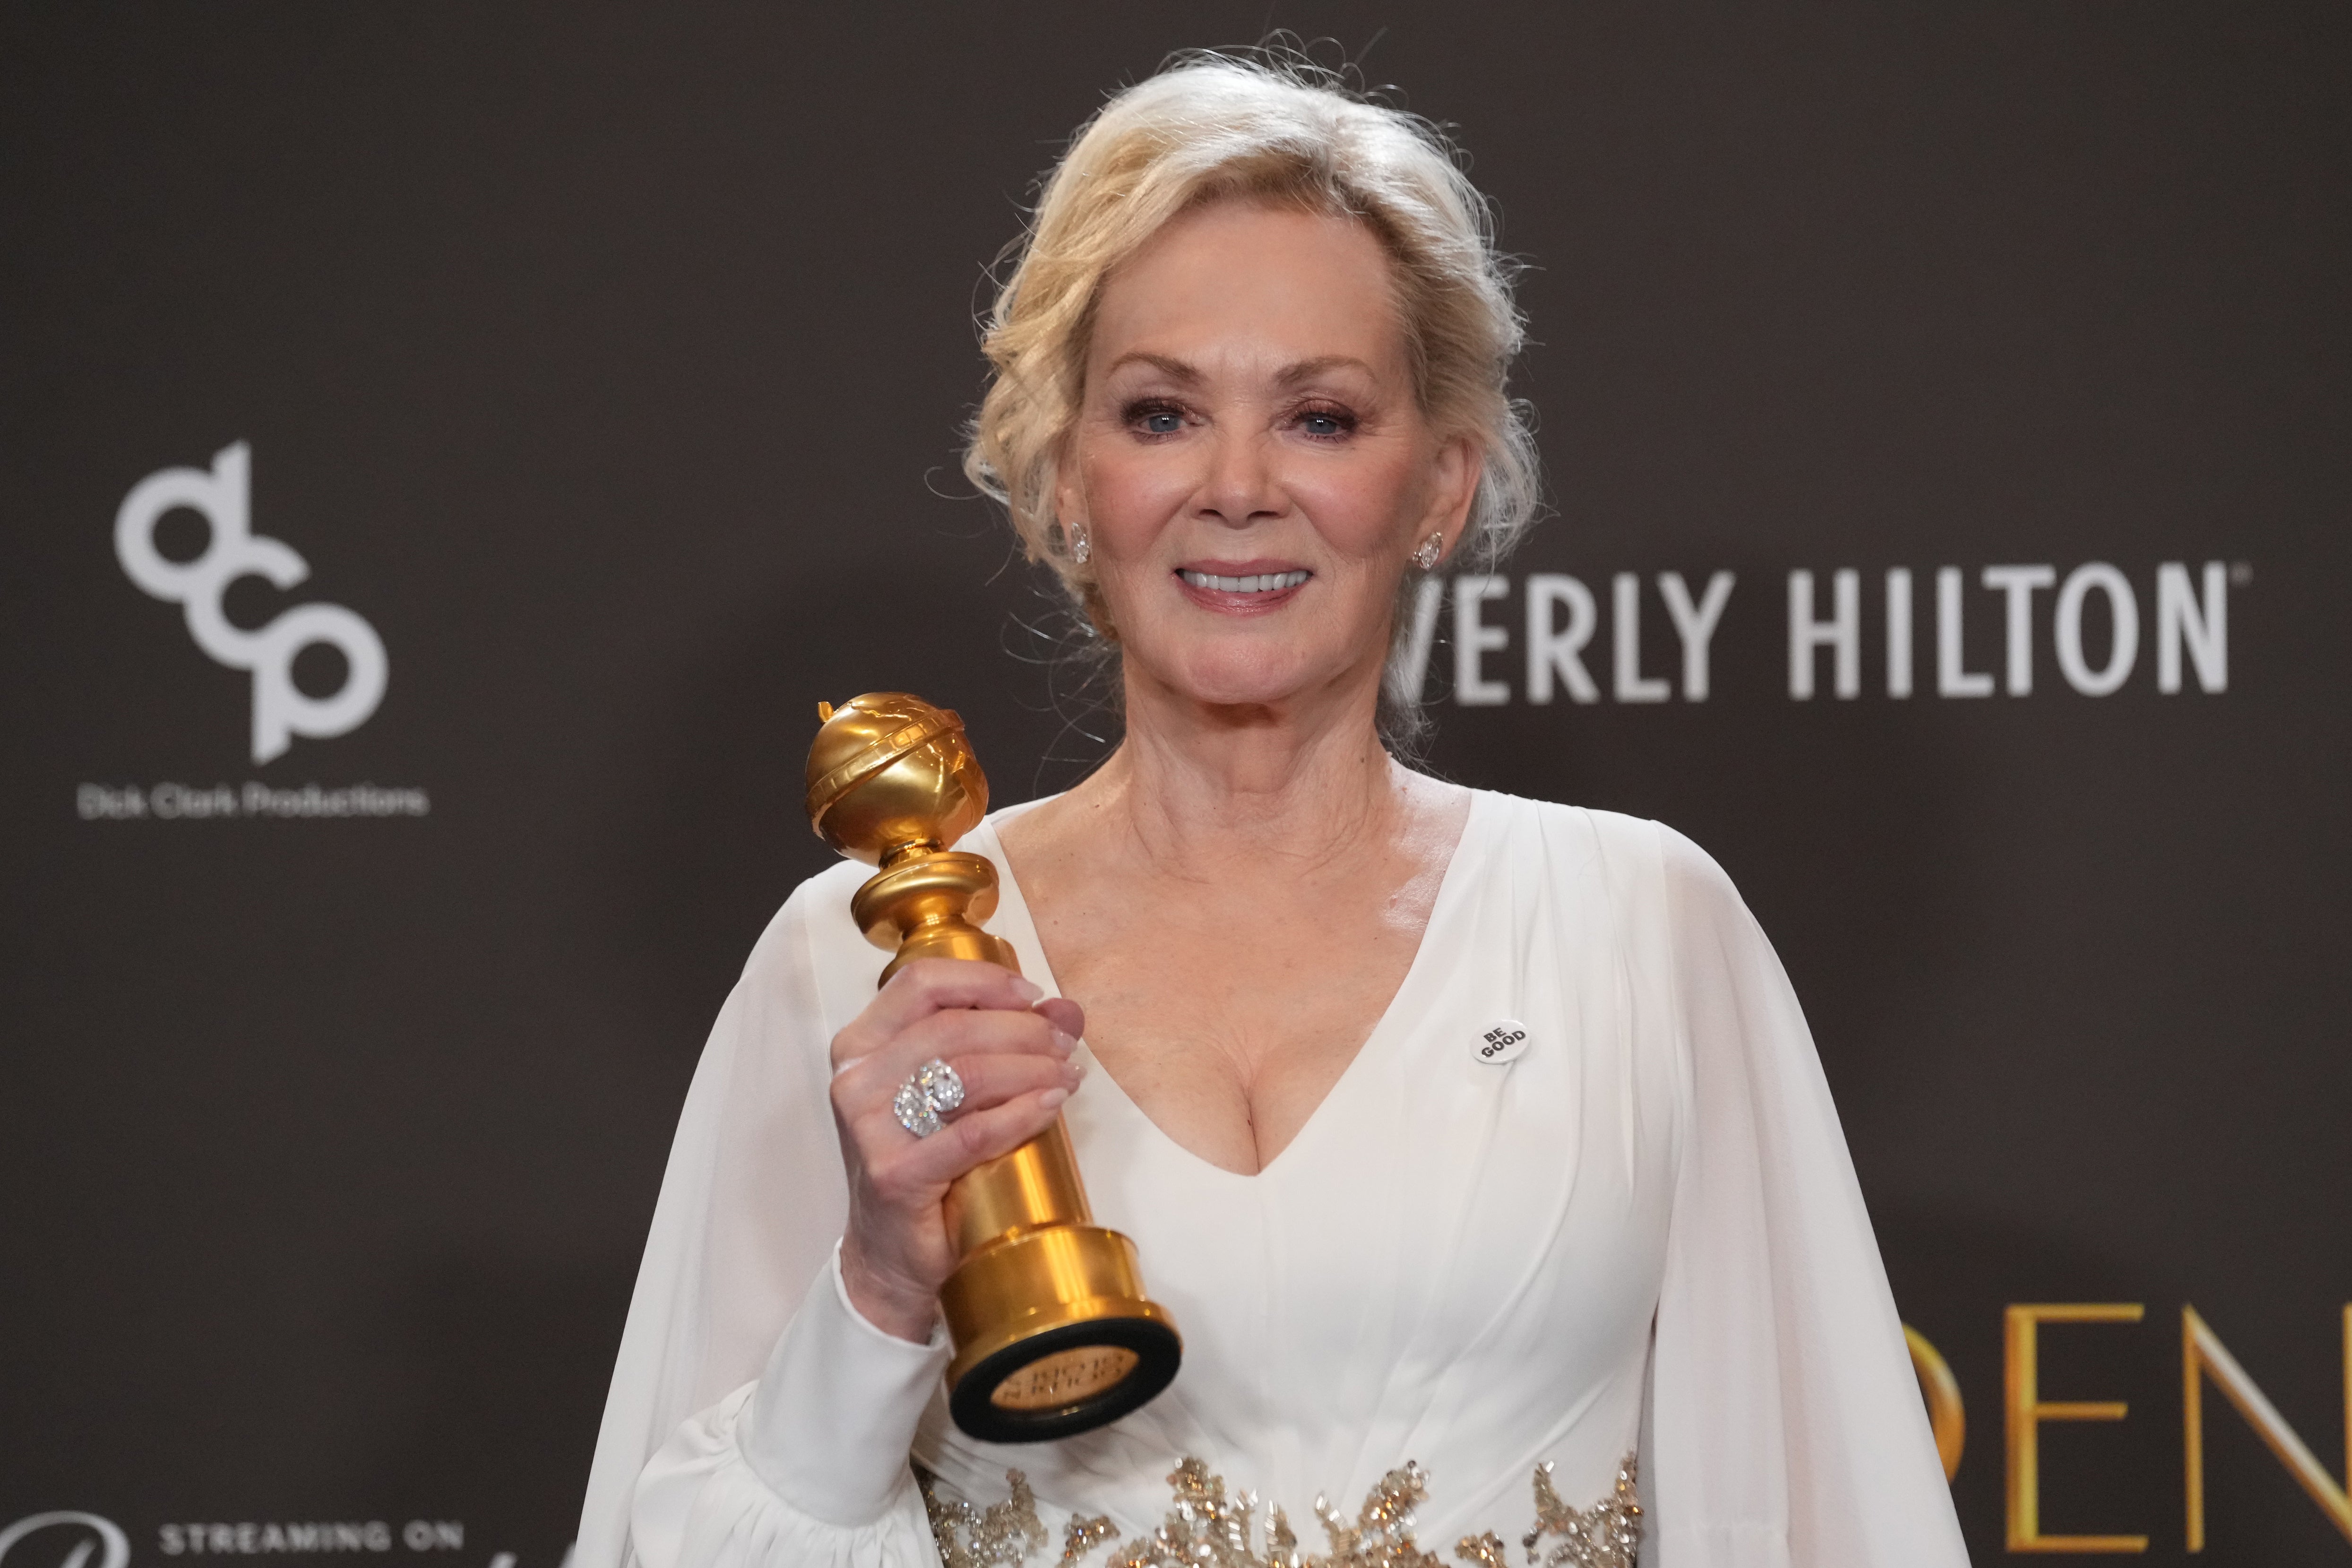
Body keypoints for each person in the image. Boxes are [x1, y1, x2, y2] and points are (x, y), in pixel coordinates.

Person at [575, 52, 1968, 1568]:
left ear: (1438, 484)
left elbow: (1816, 1518)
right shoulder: (861, 966)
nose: (1237, 486)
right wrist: (876, 1290)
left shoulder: (1642, 924)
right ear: (1062, 481)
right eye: (1162, 415)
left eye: (1318, 417)